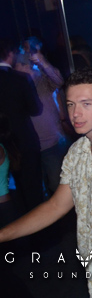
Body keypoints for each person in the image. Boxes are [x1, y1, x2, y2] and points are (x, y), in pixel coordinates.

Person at [0, 67, 92, 298]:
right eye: (70, 104)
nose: (75, 114)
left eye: (86, 104)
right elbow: (55, 206)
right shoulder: (77, 151)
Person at [14, 49, 69, 197]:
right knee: (38, 191)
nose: (16, 69)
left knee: (58, 186)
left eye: (18, 65)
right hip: (29, 147)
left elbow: (59, 81)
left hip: (52, 143)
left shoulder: (42, 80)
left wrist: (43, 62)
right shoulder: (16, 86)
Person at [0, 38, 42, 212]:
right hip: (23, 140)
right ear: (10, 54)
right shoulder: (20, 79)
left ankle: (17, 222)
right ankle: (40, 226)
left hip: (3, 143)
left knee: (8, 189)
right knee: (32, 188)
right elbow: (36, 109)